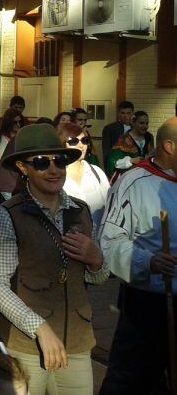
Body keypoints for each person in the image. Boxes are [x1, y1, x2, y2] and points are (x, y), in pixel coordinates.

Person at [0, 123, 108, 395]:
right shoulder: (8, 215)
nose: (53, 170)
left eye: (59, 161)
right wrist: (39, 328)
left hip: (76, 339)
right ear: (23, 168)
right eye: (41, 162)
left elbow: (97, 278)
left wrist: (97, 260)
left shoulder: (81, 210)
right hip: (27, 344)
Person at [98, 117, 177, 395]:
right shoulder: (134, 182)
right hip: (147, 304)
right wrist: (149, 261)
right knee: (131, 380)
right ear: (169, 146)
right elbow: (109, 242)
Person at [56, 122, 109, 230]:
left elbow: (110, 206)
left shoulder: (97, 172)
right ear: (62, 143)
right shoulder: (55, 175)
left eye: (84, 140)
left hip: (100, 240)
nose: (81, 145)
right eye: (74, 141)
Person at [0, 108, 23, 203]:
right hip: (3, 180)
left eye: (20, 122)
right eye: (15, 122)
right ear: (9, 122)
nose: (18, 125)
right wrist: (2, 158)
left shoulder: (22, 138)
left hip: (18, 180)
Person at [105, 110, 153, 178]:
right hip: (128, 178)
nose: (145, 126)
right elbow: (113, 162)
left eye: (147, 123)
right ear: (133, 123)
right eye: (141, 123)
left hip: (146, 176)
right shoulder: (124, 139)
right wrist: (131, 160)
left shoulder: (149, 137)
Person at [101, 100, 134, 170]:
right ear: (118, 113)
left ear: (132, 114)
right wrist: (108, 168)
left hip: (133, 164)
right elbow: (106, 150)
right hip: (116, 164)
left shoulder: (136, 128)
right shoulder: (109, 128)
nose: (126, 116)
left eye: (128, 113)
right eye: (123, 113)